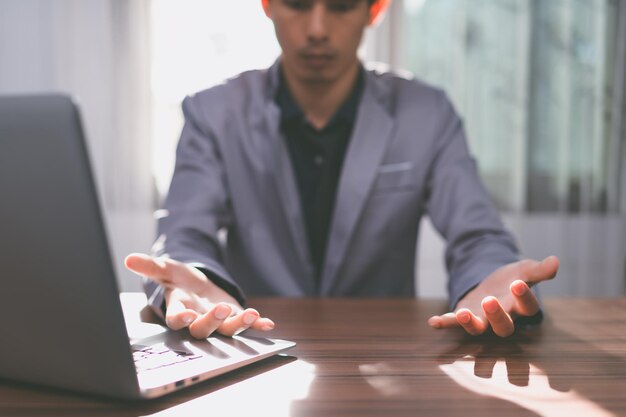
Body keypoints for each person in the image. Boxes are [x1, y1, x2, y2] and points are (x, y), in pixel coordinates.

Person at [125, 0, 559, 340]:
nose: (316, 29)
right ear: (267, 4)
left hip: (385, 352)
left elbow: (477, 233)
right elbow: (186, 236)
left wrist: (489, 283)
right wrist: (191, 278)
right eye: (297, 3)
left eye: (340, 5)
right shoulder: (212, 112)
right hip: (252, 348)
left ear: (375, 8)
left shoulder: (426, 113)